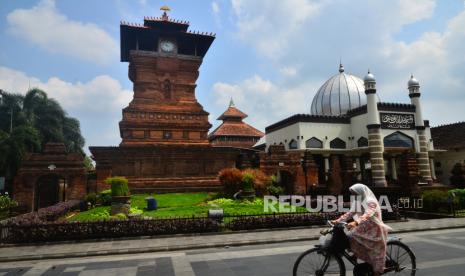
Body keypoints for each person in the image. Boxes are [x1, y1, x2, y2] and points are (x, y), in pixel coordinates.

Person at [331, 183, 392, 276]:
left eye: (355, 193)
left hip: (374, 229)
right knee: (350, 237)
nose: (354, 195)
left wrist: (356, 222)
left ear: (360, 192)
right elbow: (350, 214)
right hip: (364, 227)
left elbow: (368, 214)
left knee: (354, 237)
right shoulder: (357, 201)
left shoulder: (370, 201)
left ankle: (376, 270)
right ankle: (362, 258)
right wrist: (337, 221)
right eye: (353, 193)